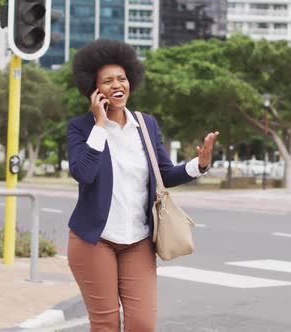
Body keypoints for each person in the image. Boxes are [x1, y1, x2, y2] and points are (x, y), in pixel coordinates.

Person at [66, 39, 219, 332]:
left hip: (138, 241)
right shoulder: (80, 127)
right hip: (94, 241)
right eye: (107, 81)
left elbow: (163, 174)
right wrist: (99, 125)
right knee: (106, 324)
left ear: (131, 81)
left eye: (122, 78)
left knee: (142, 324)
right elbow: (83, 173)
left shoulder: (145, 125)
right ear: (94, 89)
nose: (117, 85)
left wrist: (198, 165)